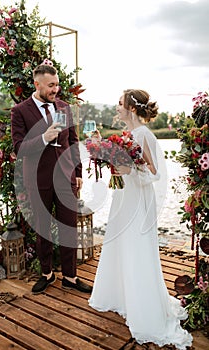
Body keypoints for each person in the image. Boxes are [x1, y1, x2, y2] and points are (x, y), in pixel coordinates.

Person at [88, 89, 193, 349]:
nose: (117, 107)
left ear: (131, 109)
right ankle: (123, 296)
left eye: (120, 104)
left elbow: (153, 173)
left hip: (137, 202)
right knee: (122, 245)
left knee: (136, 248)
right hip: (124, 200)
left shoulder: (144, 135)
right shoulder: (128, 136)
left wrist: (129, 170)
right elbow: (124, 167)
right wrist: (103, 150)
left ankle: (143, 308)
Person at [11, 61, 92, 294]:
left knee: (69, 228)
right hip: (38, 180)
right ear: (36, 84)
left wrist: (77, 172)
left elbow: (73, 142)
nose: (55, 90)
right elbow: (19, 148)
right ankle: (46, 274)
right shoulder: (20, 111)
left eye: (56, 85)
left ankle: (70, 277)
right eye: (50, 86)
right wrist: (45, 137)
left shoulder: (65, 108)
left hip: (66, 178)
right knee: (43, 229)